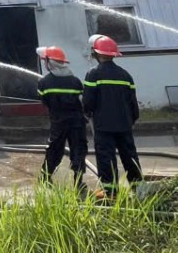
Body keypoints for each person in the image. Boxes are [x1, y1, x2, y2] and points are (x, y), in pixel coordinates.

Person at [82, 35, 142, 197]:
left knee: (106, 157)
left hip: (104, 125)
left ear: (96, 53)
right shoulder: (125, 75)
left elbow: (88, 100)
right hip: (124, 124)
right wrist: (132, 119)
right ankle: (138, 188)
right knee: (129, 155)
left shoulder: (93, 74)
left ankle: (110, 191)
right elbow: (132, 101)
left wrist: (87, 113)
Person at [35, 45, 88, 195]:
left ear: (49, 62)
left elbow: (44, 101)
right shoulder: (75, 81)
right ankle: (78, 182)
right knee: (78, 150)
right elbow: (82, 101)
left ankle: (45, 177)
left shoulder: (44, 82)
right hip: (77, 122)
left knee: (54, 149)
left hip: (58, 122)